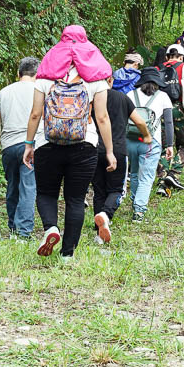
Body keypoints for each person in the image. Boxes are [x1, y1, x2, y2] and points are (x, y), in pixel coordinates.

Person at [22, 25, 117, 260]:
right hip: (84, 144)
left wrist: (28, 144)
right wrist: (111, 151)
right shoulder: (96, 77)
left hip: (48, 143)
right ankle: (67, 254)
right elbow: (102, 117)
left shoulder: (45, 74)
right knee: (75, 199)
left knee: (46, 193)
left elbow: (35, 114)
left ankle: (51, 228)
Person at [0, 57, 40, 239]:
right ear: (37, 75)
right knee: (28, 187)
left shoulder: (4, 92)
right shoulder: (40, 91)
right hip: (31, 145)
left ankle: (13, 228)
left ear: (18, 74)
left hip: (9, 146)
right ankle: (24, 232)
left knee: (12, 187)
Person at [92, 76, 150, 244]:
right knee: (117, 190)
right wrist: (146, 136)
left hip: (94, 149)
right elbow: (139, 121)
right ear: (110, 80)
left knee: (99, 191)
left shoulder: (92, 98)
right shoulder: (122, 98)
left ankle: (99, 234)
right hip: (117, 150)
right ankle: (106, 215)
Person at [126, 67, 174, 221]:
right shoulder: (163, 97)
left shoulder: (130, 95)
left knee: (134, 173)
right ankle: (139, 211)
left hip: (131, 140)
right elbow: (168, 122)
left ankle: (135, 202)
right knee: (146, 176)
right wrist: (170, 145)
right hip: (151, 142)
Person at [157, 44, 184, 193]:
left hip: (162, 110)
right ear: (181, 56)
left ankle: (162, 180)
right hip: (180, 109)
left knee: (165, 145)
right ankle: (173, 173)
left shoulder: (158, 69)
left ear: (166, 57)